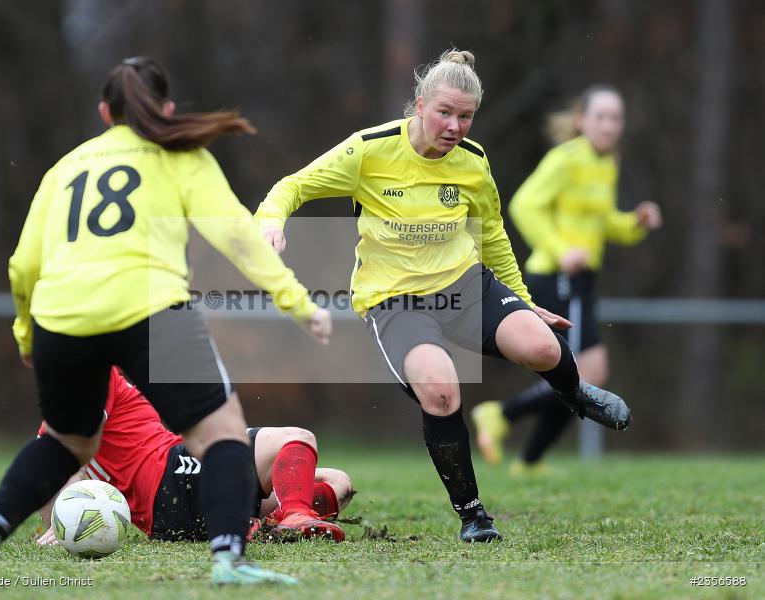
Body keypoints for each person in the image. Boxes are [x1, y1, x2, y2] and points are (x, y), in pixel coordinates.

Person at [0, 56, 332, 587]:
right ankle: (228, 562)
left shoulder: (66, 168)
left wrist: (27, 333)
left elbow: (23, 264)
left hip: (64, 316)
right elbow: (238, 236)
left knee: (64, 443)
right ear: (168, 109)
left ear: (105, 113)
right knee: (221, 436)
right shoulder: (182, 157)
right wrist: (297, 302)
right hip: (149, 307)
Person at [254, 49, 631, 544]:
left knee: (542, 346)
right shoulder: (370, 150)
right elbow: (292, 187)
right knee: (441, 389)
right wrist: (270, 222)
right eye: (445, 112)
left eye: (466, 116)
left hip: (464, 284)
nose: (456, 126)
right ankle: (473, 514)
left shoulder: (473, 163)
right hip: (396, 300)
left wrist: (523, 299)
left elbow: (492, 233)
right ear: (419, 105)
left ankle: (575, 394)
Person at [472, 85, 662, 473]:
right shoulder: (565, 159)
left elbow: (604, 222)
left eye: (616, 118)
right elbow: (524, 205)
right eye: (601, 117)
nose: (610, 126)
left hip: (582, 279)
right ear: (582, 120)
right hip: (553, 274)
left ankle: (527, 458)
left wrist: (634, 223)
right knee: (580, 373)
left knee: (589, 374)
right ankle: (502, 418)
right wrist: (562, 250)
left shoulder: (605, 163)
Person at [35, 368, 352, 546]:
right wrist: (66, 522)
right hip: (172, 474)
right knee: (296, 438)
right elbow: (74, 447)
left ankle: (261, 526)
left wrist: (60, 523)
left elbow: (58, 464)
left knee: (336, 482)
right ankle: (296, 517)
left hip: (168, 515)